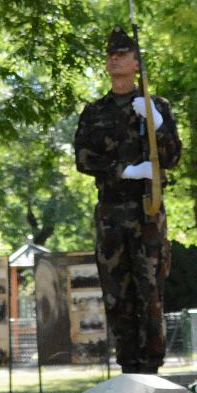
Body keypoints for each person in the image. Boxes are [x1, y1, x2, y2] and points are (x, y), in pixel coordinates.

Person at [72, 26, 182, 374]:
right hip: (111, 213)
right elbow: (83, 158)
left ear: (137, 63)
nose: (114, 59)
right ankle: (128, 363)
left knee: (149, 289)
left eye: (122, 54)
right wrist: (123, 171)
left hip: (147, 210)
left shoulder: (155, 106)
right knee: (116, 290)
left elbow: (172, 156)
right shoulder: (95, 111)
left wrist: (156, 121)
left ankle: (152, 363)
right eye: (110, 54)